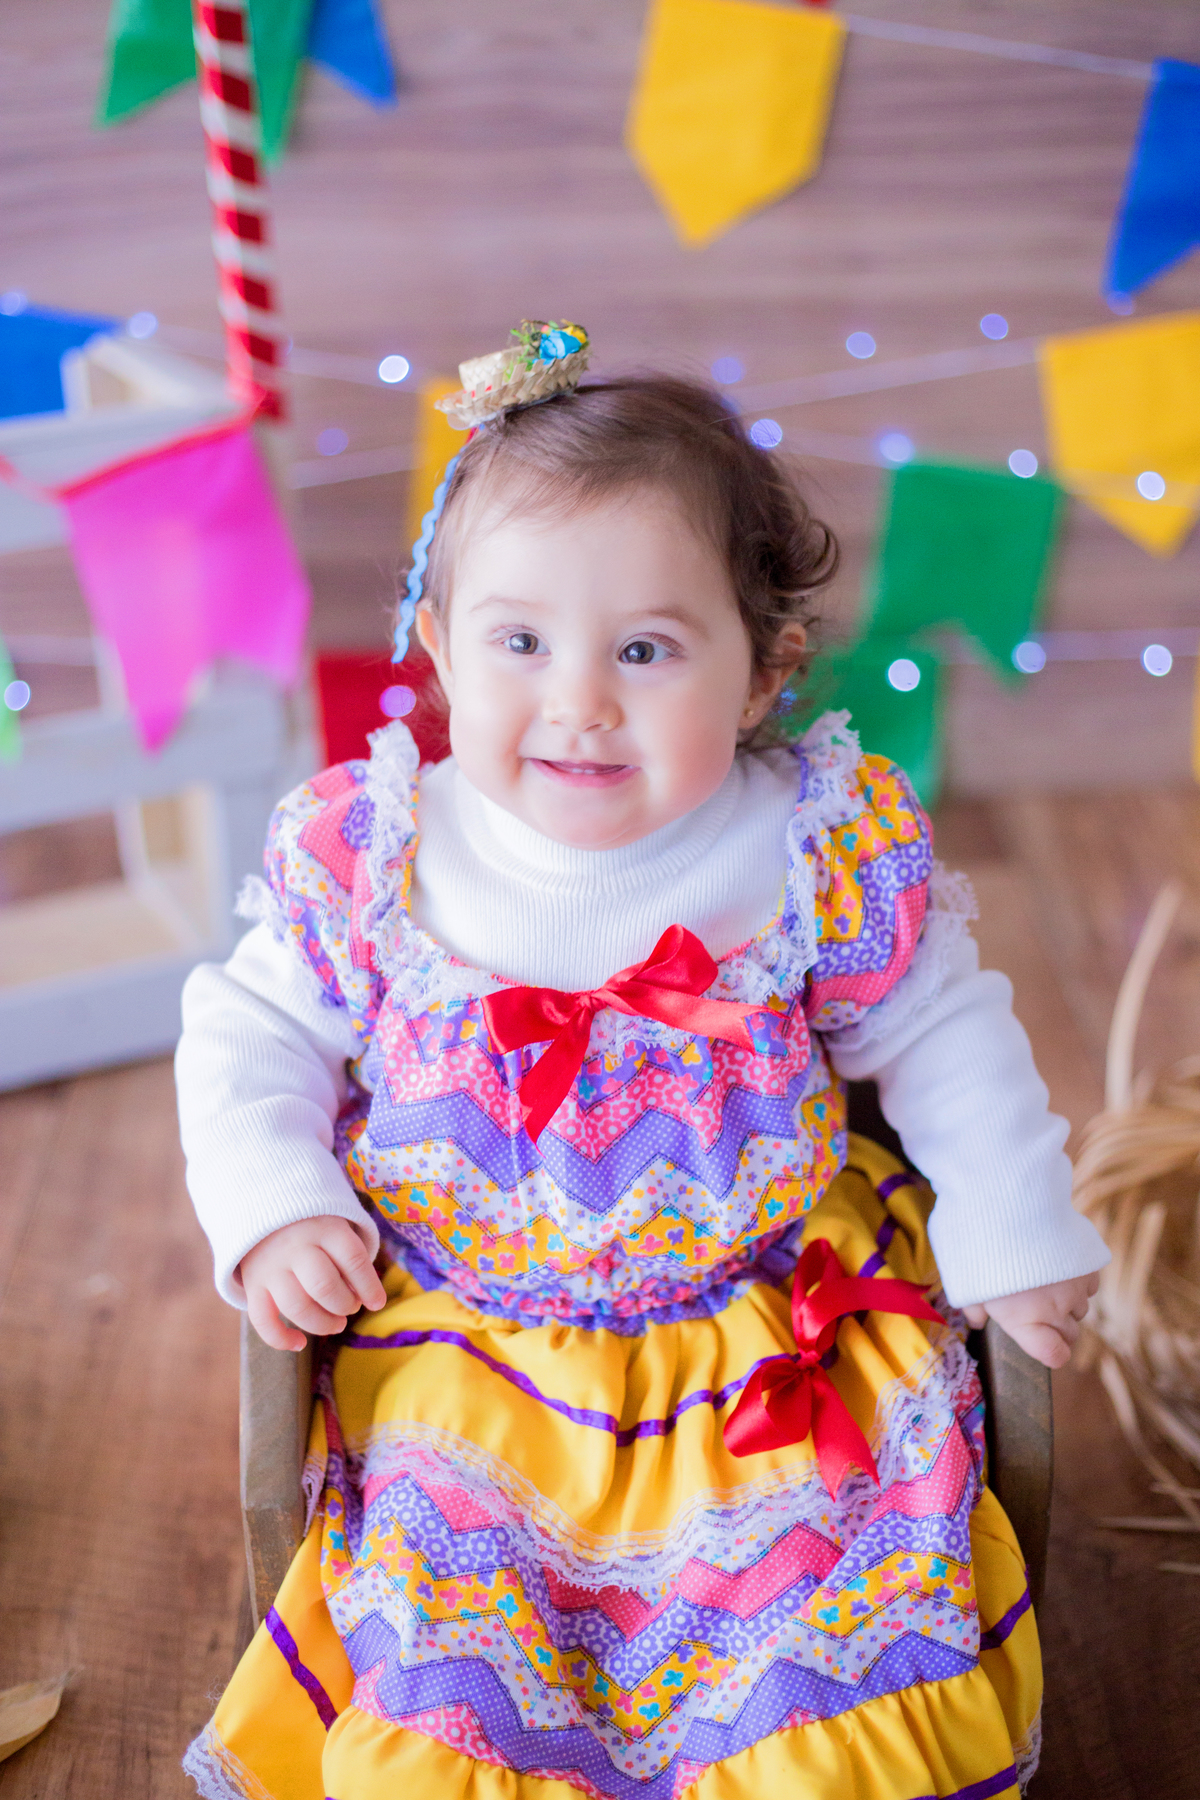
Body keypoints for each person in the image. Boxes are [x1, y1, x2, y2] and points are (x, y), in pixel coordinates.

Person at [177, 324, 1107, 1800]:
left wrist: (1008, 1228)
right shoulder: (384, 853)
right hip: (466, 1335)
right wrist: (275, 1199)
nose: (580, 698)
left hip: (758, 1316)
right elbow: (250, 1031)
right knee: (463, 1619)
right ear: (435, 647)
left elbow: (940, 1030)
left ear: (760, 675)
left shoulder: (801, 844)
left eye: (647, 649)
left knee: (812, 1590)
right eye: (520, 640)